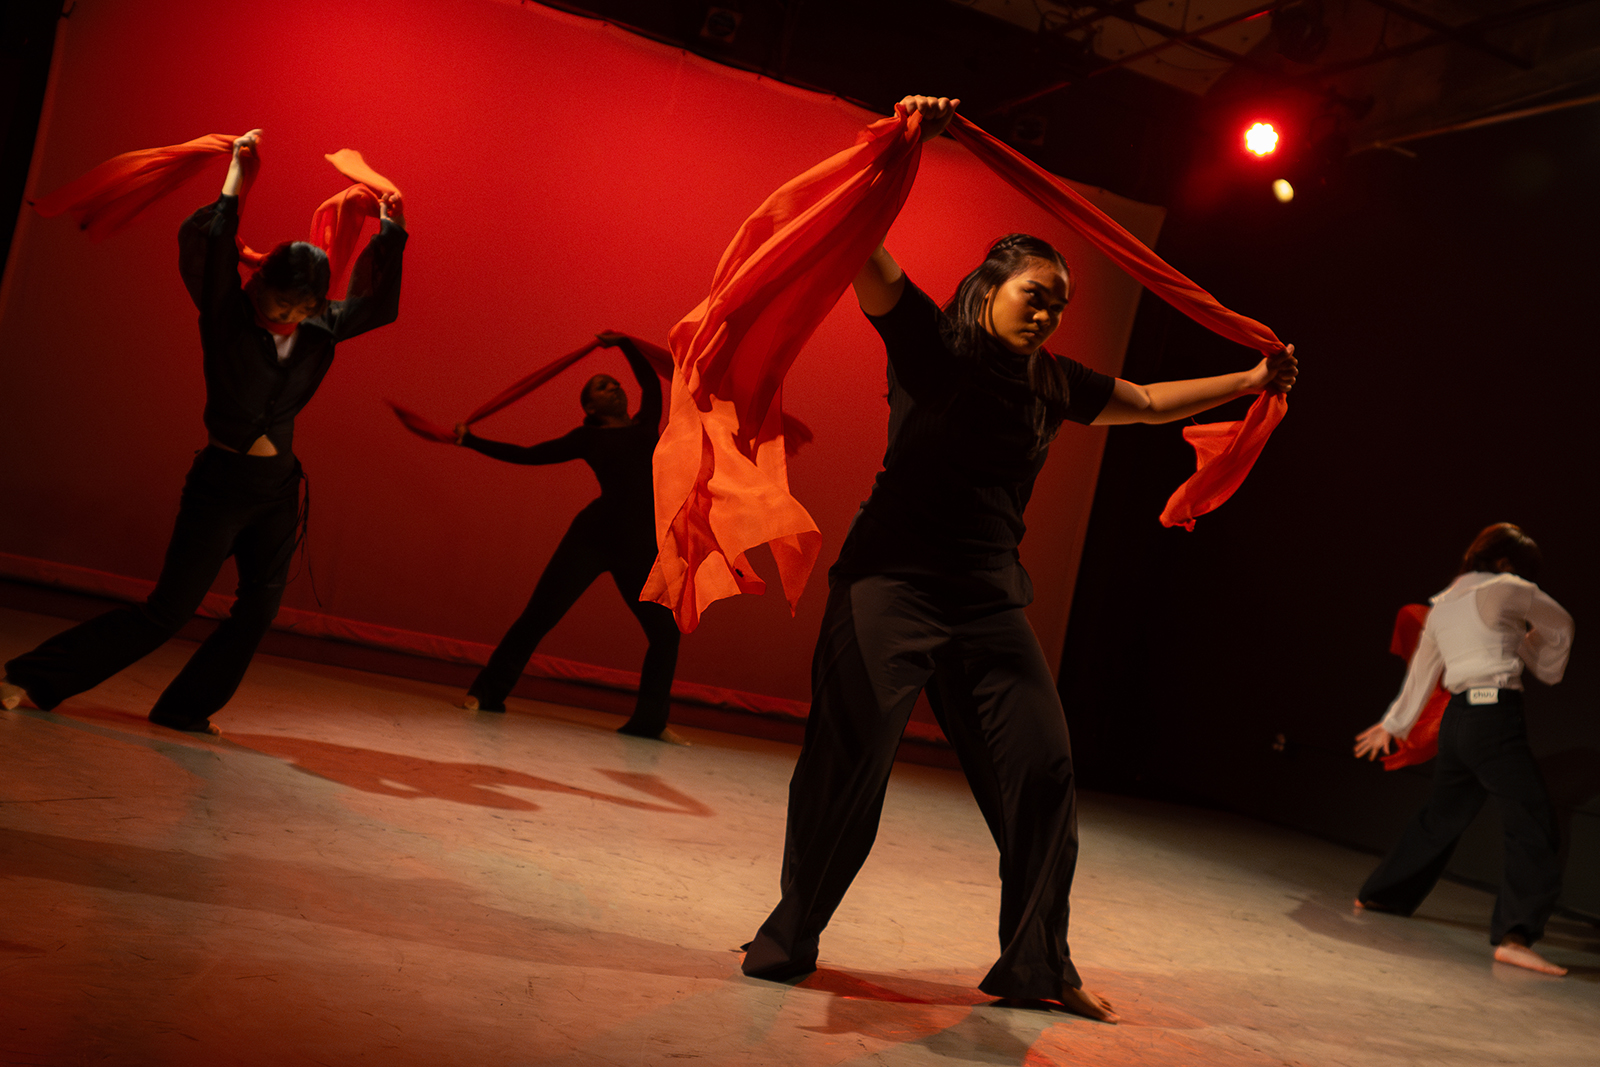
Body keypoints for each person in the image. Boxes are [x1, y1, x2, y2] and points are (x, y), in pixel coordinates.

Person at [740, 96, 1298, 1022]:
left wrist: (1250, 378)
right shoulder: (930, 342)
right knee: (852, 759)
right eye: (1035, 293)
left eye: (1060, 302)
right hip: (890, 582)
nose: (1048, 311)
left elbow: (1153, 404)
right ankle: (791, 935)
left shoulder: (1054, 381)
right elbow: (860, 251)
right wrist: (905, 142)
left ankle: (1038, 963)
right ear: (987, 286)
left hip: (989, 599)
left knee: (1043, 767)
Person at [1, 130, 407, 734]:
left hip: (276, 490)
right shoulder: (225, 314)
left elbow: (381, 303)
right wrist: (238, 174)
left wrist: (390, 223)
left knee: (257, 612)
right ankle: (31, 676)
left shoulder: (327, 326)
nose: (284, 316)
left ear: (316, 303)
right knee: (168, 610)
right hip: (220, 486)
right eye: (276, 301)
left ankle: (184, 709)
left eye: (298, 308)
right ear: (259, 283)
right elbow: (215, 244)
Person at [1353, 522, 1574, 976]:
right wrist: (1541, 662)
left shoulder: (1444, 604)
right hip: (1493, 718)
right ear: (1507, 563)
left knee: (1442, 815)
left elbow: (1422, 673)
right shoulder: (1509, 587)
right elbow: (1561, 624)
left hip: (1456, 723)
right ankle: (1516, 936)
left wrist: (1392, 724)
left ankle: (1381, 894)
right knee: (1532, 822)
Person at [453, 333, 684, 743]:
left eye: (613, 383)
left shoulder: (647, 424)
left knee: (665, 634)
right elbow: (528, 455)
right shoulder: (586, 438)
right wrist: (471, 440)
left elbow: (650, 382)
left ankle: (649, 723)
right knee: (539, 616)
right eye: (602, 386)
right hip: (592, 538)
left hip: (638, 545)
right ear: (591, 407)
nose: (613, 386)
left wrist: (625, 344)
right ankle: (486, 693)